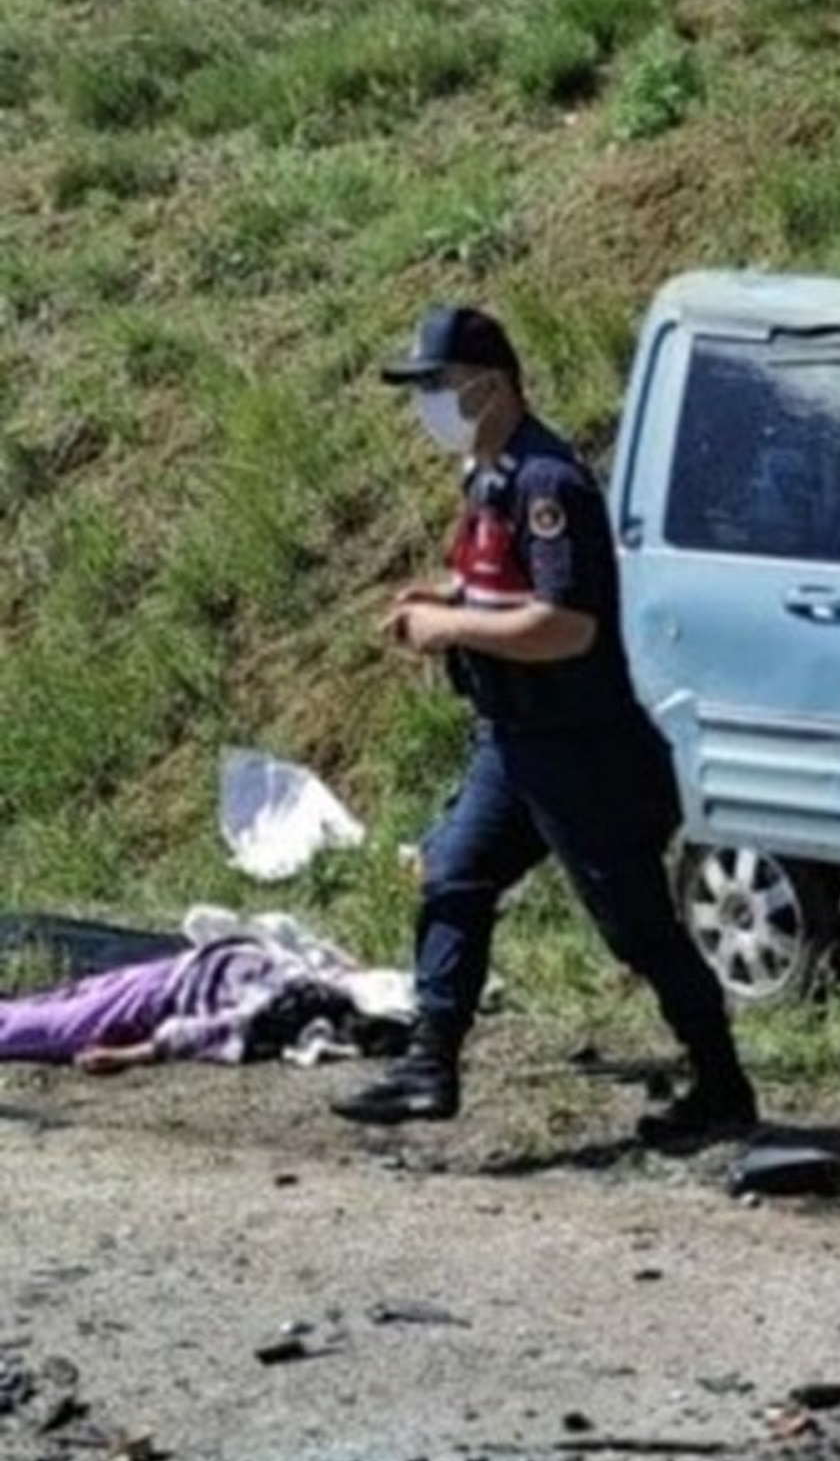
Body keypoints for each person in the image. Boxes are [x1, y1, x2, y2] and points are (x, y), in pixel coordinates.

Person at [333, 304, 758, 1149]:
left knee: (636, 927)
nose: (428, 404)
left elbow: (568, 626)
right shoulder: (483, 476)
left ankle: (721, 1085)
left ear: (492, 386)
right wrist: (440, 599)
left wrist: (450, 630)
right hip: (513, 742)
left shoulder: (548, 483)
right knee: (453, 871)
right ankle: (431, 1064)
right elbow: (495, 589)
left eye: (439, 386)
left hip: (581, 750)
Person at [0, 928, 397, 1072]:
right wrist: (127, 1055)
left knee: (52, 1004)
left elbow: (308, 942)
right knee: (46, 1029)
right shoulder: (290, 1005)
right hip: (162, 996)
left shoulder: (321, 975)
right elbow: (205, 1032)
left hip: (177, 969)